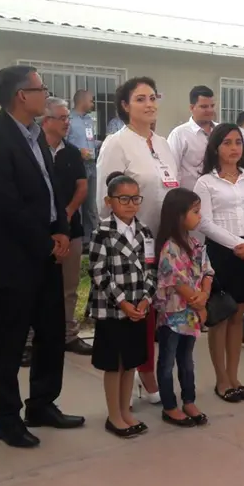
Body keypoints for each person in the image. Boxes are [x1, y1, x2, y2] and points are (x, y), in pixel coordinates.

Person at [0, 65, 84, 450]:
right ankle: (6, 417)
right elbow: (3, 203)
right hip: (13, 257)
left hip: (46, 251)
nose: (45, 94)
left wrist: (62, 231)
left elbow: (51, 193)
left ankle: (42, 404)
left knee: (51, 333)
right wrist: (45, 240)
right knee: (9, 340)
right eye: (41, 89)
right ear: (22, 95)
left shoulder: (37, 135)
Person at [97, 76, 178, 402]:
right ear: (126, 106)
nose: (149, 104)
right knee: (133, 314)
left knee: (155, 311)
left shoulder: (162, 143)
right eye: (140, 99)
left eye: (152, 97)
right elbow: (107, 197)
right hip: (129, 245)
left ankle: (147, 373)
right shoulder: (117, 143)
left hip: (163, 240)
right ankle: (132, 379)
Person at [193, 123, 244, 403]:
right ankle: (221, 379)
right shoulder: (206, 182)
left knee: (238, 316)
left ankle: (234, 376)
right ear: (215, 148)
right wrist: (238, 246)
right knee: (221, 316)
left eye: (238, 142)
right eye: (227, 143)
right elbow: (205, 223)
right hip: (222, 253)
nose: (234, 148)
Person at [88, 172, 156, 438]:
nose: (130, 204)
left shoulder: (145, 231)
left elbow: (151, 269)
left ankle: (126, 412)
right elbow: (98, 273)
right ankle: (114, 415)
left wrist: (145, 299)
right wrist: (123, 302)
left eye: (135, 198)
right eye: (123, 198)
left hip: (138, 308)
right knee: (113, 363)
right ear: (109, 201)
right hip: (112, 309)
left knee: (130, 361)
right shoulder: (102, 232)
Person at [154, 188, 212, 426]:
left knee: (187, 360)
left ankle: (189, 400)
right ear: (179, 215)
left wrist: (204, 295)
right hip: (173, 315)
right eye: (195, 211)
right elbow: (175, 279)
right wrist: (198, 302)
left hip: (192, 313)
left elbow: (207, 270)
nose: (200, 216)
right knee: (167, 361)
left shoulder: (195, 242)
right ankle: (169, 406)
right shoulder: (170, 247)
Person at [41, 97, 91, 355]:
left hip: (71, 229)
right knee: (36, 288)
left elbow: (82, 187)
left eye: (68, 118)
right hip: (40, 232)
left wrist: (68, 214)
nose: (66, 123)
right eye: (62, 118)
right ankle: (31, 339)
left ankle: (68, 334)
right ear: (45, 120)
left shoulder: (71, 152)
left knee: (69, 287)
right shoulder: (33, 149)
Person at [167, 85, 218, 190]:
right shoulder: (179, 134)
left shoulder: (221, 131)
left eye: (212, 106)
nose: (209, 110)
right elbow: (172, 170)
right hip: (191, 198)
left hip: (220, 197)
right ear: (191, 107)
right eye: (204, 107)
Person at [66, 89, 99, 246]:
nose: (92, 104)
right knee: (77, 202)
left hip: (92, 164)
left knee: (91, 205)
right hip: (77, 166)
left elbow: (91, 140)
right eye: (91, 100)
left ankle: (91, 239)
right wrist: (78, 152)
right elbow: (62, 142)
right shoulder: (69, 119)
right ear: (82, 101)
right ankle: (76, 237)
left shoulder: (89, 120)